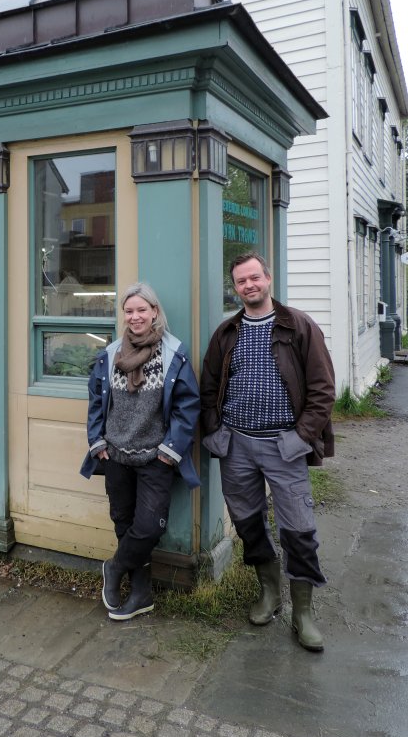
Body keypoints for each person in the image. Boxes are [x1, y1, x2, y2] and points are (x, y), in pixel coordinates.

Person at [200, 252, 335, 652]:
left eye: (254, 278)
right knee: (248, 522)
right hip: (236, 445)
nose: (249, 286)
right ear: (235, 287)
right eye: (241, 281)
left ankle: (303, 612)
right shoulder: (227, 333)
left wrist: (301, 437)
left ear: (268, 279)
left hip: (284, 445)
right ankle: (269, 594)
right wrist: (215, 431)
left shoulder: (298, 327)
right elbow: (208, 388)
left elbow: (323, 390)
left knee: (299, 528)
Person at [81, 282, 200, 621]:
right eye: (129, 311)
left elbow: (187, 406)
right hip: (116, 456)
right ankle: (141, 593)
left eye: (141, 310)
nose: (135, 317)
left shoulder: (173, 354)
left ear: (154, 313)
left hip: (155, 458)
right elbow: (96, 402)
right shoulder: (111, 354)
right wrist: (97, 442)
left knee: (148, 527)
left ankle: (115, 567)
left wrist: (169, 450)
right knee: (124, 523)